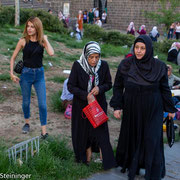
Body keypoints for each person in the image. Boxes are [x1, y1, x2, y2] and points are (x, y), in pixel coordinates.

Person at [110, 35, 177, 180]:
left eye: (143, 48)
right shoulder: (126, 65)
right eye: (137, 48)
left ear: (149, 49)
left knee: (151, 138)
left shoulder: (159, 66)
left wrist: (170, 109)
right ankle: (134, 166)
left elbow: (165, 89)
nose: (139, 51)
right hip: (132, 109)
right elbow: (118, 86)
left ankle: (153, 173)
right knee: (133, 138)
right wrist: (117, 106)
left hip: (153, 109)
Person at [67, 41, 116, 170]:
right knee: (83, 131)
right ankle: (84, 158)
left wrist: (99, 88)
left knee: (100, 130)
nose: (94, 60)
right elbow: (71, 86)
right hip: (81, 106)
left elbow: (109, 83)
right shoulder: (78, 66)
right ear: (85, 55)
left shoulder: (103, 65)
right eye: (91, 57)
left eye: (97, 57)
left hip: (98, 104)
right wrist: (85, 95)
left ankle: (104, 158)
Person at [10, 17, 54, 138]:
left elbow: (51, 53)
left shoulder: (42, 42)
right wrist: (11, 73)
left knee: (42, 104)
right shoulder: (23, 41)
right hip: (26, 74)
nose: (29, 29)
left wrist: (45, 39)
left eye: (32, 26)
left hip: (39, 74)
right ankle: (27, 123)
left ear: (37, 28)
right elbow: (13, 57)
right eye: (28, 26)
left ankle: (44, 132)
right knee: (26, 102)